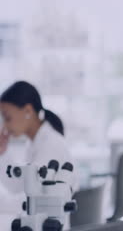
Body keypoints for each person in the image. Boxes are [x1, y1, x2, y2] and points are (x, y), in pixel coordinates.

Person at [0, 81, 77, 213]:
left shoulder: (50, 144)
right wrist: (2, 153)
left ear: (28, 111)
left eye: (8, 118)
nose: (5, 126)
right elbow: (18, 186)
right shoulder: (33, 143)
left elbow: (32, 200)